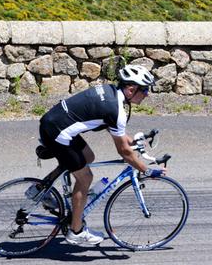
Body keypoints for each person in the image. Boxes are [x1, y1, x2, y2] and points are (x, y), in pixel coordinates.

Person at [35, 63, 164, 246]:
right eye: (144, 90)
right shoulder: (116, 109)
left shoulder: (110, 92)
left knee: (88, 157)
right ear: (130, 89)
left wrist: (134, 142)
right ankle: (76, 231)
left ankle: (42, 190)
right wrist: (146, 170)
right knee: (85, 178)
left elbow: (118, 134)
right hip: (58, 133)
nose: (147, 94)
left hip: (54, 124)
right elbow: (124, 152)